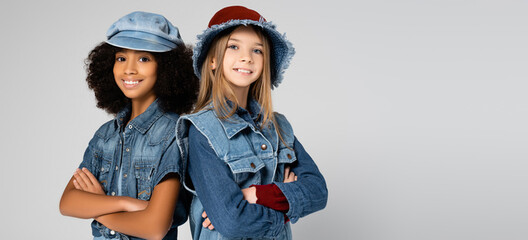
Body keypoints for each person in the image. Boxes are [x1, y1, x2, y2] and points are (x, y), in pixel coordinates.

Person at [175, 5, 328, 240]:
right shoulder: (202, 131)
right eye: (233, 46)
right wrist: (286, 207)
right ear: (213, 60)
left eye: (257, 50)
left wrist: (256, 195)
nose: (246, 57)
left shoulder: (278, 127)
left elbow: (318, 192)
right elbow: (232, 222)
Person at [59, 11, 198, 240]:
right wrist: (125, 203)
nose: (129, 69)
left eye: (144, 58)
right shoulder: (105, 136)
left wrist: (99, 207)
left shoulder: (173, 134)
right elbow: (67, 203)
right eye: (121, 58)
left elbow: (155, 227)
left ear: (166, 68)